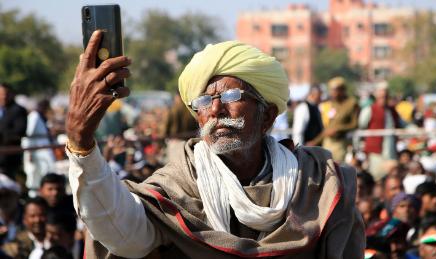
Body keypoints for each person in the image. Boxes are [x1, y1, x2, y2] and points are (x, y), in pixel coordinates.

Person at [64, 31, 364, 258]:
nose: (216, 110)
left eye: (232, 97)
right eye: (204, 101)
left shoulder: (317, 182)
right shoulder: (178, 185)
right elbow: (124, 234)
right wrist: (81, 142)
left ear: (268, 115)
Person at [359, 83, 402, 180]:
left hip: (391, 151)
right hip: (376, 152)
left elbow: (402, 124)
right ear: (376, 96)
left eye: (386, 96)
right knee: (377, 177)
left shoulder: (392, 111)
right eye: (382, 96)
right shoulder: (369, 110)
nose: (384, 98)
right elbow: (361, 127)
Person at [312, 77, 359, 161]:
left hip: (341, 143)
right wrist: (314, 142)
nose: (332, 93)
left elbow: (354, 124)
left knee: (337, 168)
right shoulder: (329, 104)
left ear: (342, 90)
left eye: (335, 90)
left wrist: (338, 129)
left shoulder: (351, 104)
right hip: (327, 142)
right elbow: (327, 129)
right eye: (331, 90)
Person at [22, 99, 56, 196]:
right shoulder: (34, 116)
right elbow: (29, 134)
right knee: (34, 176)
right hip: (35, 151)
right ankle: (33, 197)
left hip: (42, 149)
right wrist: (29, 152)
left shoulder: (41, 116)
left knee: (46, 173)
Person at [0, 83, 28, 180]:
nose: (3, 97)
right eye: (1, 94)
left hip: (9, 157)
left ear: (12, 94)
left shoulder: (18, 110)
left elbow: (20, 131)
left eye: (6, 93)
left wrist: (2, 136)